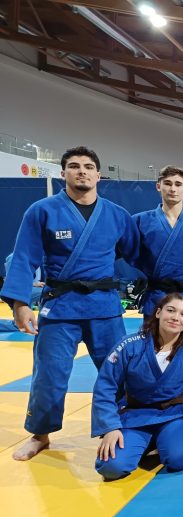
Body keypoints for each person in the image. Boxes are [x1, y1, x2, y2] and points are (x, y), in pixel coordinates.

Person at [1, 146, 140, 461]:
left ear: (98, 175)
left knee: (118, 371)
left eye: (88, 166)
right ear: (63, 173)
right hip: (61, 305)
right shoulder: (42, 210)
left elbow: (134, 252)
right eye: (74, 166)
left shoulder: (117, 214)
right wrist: (20, 304)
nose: (82, 171)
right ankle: (41, 434)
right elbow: (24, 256)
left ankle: (119, 425)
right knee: (49, 374)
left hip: (104, 306)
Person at [91, 294, 183, 480]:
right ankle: (150, 440)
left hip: (174, 414)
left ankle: (165, 438)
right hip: (135, 415)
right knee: (112, 467)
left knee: (179, 459)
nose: (176, 317)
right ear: (158, 312)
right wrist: (110, 427)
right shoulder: (130, 346)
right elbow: (105, 386)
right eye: (170, 310)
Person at [133, 165, 183, 337]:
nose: (173, 189)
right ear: (158, 186)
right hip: (157, 295)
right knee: (154, 345)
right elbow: (132, 254)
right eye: (167, 183)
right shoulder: (140, 221)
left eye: (178, 184)